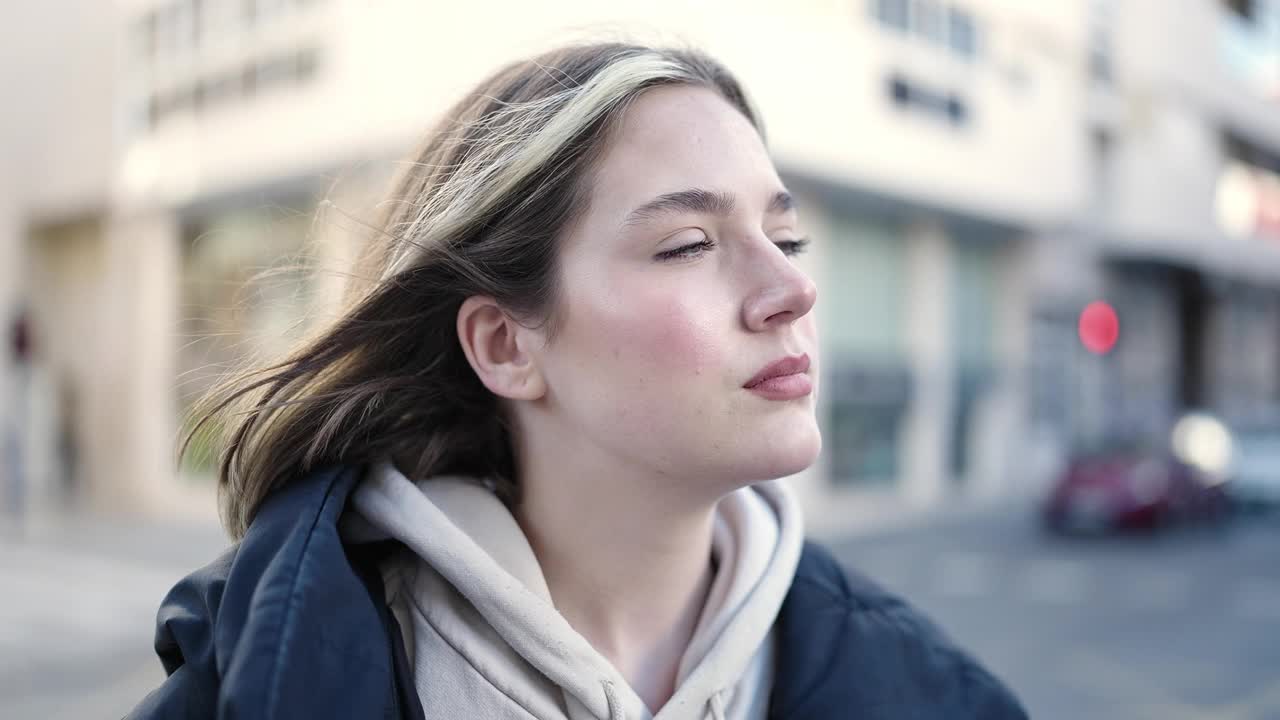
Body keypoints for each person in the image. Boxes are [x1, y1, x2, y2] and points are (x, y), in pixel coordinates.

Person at [127, 42, 1026, 720]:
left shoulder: (934, 695)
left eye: (786, 238)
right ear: (507, 346)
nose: (793, 289)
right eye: (689, 246)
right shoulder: (257, 683)